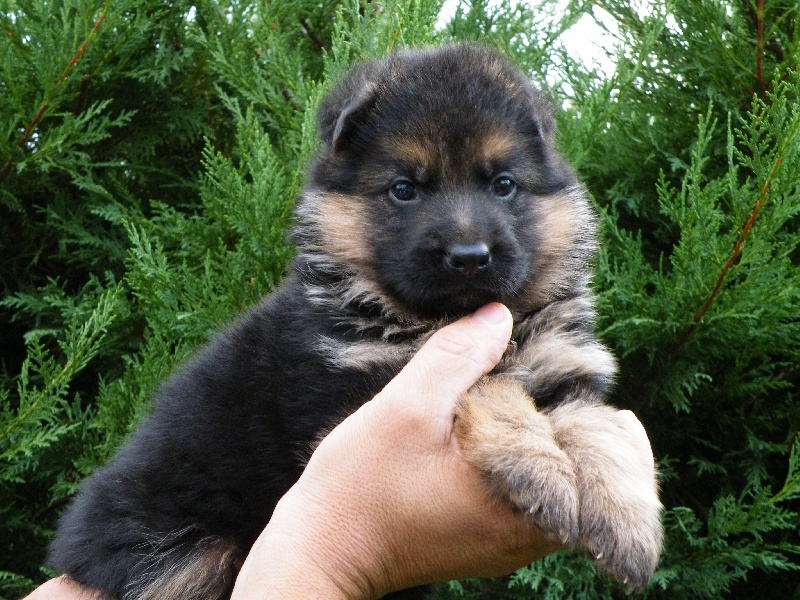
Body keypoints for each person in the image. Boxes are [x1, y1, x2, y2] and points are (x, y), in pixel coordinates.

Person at [26, 303, 656, 599]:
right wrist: (335, 558)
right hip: (182, 549)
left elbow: (572, 399)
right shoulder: (331, 320)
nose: (467, 239)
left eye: (503, 184)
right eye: (404, 190)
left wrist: (598, 453)